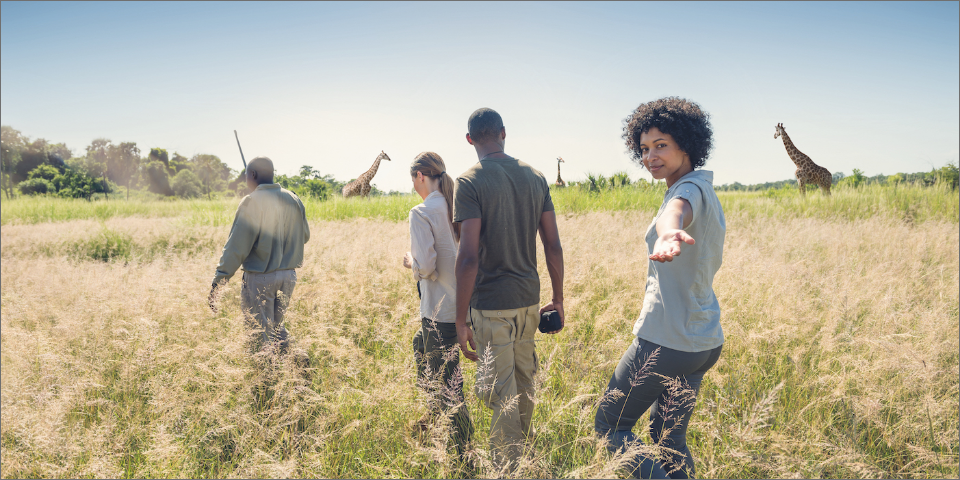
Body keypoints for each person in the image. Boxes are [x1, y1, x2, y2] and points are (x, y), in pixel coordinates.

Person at [594, 97, 725, 479]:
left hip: (667, 341)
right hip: (702, 341)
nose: (650, 156)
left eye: (661, 145)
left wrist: (668, 233)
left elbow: (676, 212)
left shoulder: (688, 191)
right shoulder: (703, 188)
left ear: (687, 144)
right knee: (668, 439)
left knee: (610, 427)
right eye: (644, 148)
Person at [453, 108, 565, 473]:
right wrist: (558, 299)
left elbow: (468, 256)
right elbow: (553, 245)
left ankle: (506, 468)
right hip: (529, 302)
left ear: (470, 139)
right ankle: (522, 457)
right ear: (503, 133)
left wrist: (459, 320)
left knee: (499, 392)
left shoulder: (469, 181)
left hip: (490, 306)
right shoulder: (535, 176)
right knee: (522, 383)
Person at [402, 151, 474, 458]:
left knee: (449, 385)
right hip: (466, 308)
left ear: (420, 176)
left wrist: (411, 262)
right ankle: (432, 412)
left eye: (413, 179)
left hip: (439, 311)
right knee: (419, 345)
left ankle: (464, 452)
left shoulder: (421, 212)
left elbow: (428, 266)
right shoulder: (458, 205)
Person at [208, 156, 310, 354]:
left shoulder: (251, 201)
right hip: (288, 277)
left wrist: (218, 282)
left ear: (253, 174)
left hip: (260, 278)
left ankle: (266, 372)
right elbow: (304, 236)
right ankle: (295, 361)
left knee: (258, 334)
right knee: (276, 327)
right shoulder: (294, 199)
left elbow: (236, 248)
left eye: (247, 175)